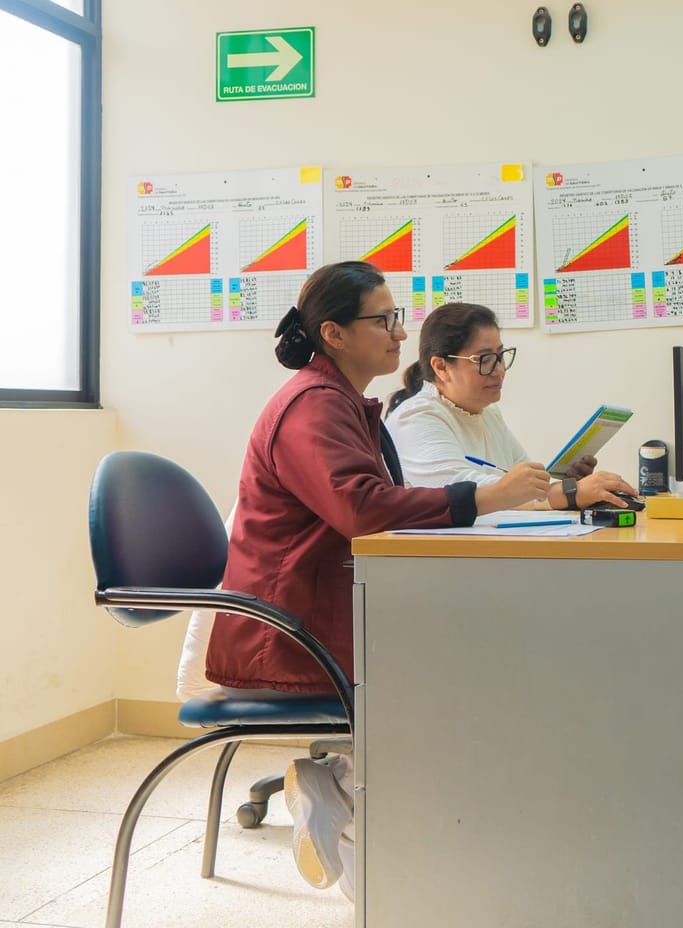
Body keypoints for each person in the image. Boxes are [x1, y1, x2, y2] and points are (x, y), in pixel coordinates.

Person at [205, 262, 551, 902]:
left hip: (321, 613)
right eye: (383, 319)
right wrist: (479, 496)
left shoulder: (342, 404)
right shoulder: (313, 408)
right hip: (289, 633)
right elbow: (362, 508)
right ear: (334, 333)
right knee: (468, 668)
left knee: (477, 653)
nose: (399, 333)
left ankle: (339, 787)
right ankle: (383, 856)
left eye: (398, 317)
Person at [384, 301, 636, 508]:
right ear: (441, 367)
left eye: (501, 356)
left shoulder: (488, 413)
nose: (499, 371)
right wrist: (567, 493)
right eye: (484, 359)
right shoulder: (416, 417)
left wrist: (566, 484)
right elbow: (462, 493)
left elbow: (524, 483)